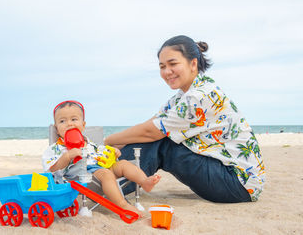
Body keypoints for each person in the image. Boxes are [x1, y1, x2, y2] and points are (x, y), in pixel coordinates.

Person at [104, 35, 265, 203]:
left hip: (237, 183)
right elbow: (150, 125)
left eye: (173, 64)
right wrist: (117, 145)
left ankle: (108, 184)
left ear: (193, 64)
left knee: (163, 143)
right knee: (156, 136)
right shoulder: (184, 95)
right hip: (228, 176)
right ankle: (106, 175)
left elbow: (151, 133)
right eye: (162, 66)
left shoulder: (199, 96)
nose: (167, 71)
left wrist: (107, 140)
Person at [42, 100, 161, 215]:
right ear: (57, 129)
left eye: (74, 119)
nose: (69, 123)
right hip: (82, 175)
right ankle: (122, 205)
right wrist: (67, 156)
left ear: (83, 125)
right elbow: (52, 168)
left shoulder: (89, 143)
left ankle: (145, 181)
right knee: (106, 173)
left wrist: (113, 151)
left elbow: (101, 152)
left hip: (101, 167)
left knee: (123, 164)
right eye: (62, 121)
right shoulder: (56, 148)